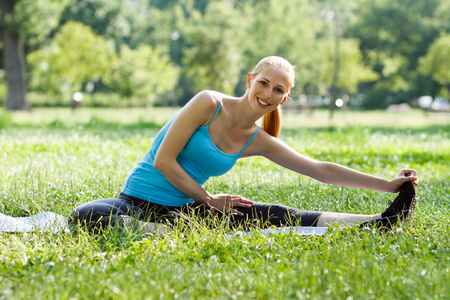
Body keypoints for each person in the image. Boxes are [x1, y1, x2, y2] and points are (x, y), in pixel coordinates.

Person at [69, 56, 418, 233]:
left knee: (275, 214)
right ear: (250, 80)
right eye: (264, 83)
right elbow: (163, 161)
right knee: (86, 214)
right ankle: (159, 231)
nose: (268, 94)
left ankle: (374, 222)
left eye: (278, 90)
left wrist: (387, 185)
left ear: (286, 97)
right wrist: (209, 199)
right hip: (135, 204)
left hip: (183, 213)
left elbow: (319, 170)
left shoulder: (258, 140)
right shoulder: (208, 103)